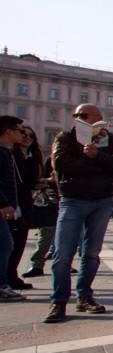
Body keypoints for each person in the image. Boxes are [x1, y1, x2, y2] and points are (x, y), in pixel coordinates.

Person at [44, 104, 113, 323]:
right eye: (79, 116)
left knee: (91, 253)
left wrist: (98, 156)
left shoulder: (111, 140)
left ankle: (84, 296)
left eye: (88, 116)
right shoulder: (64, 138)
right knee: (62, 254)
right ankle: (59, 301)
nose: (82, 119)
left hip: (101, 200)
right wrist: (97, 162)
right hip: (73, 200)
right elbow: (63, 165)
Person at [8, 125, 41, 291]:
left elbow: (30, 181)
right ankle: (7, 278)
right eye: (23, 134)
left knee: (19, 242)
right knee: (9, 244)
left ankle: (11, 276)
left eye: (31, 135)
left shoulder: (32, 157)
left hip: (25, 204)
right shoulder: (11, 155)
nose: (27, 137)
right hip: (13, 204)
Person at [0, 117, 27, 302]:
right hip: (1, 206)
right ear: (9, 132)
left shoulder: (6, 152)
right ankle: (2, 286)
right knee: (5, 245)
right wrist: (3, 203)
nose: (22, 134)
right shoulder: (0, 153)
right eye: (20, 130)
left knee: (6, 244)